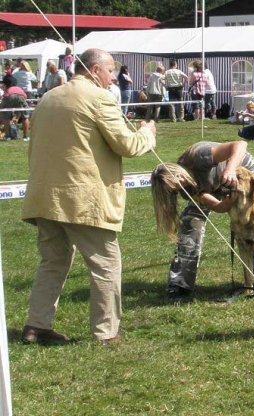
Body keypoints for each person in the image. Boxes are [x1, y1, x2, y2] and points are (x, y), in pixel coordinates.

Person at [20, 48, 157, 345]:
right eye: (110, 72)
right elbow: (127, 145)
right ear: (95, 70)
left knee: (52, 262)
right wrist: (148, 132)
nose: (112, 79)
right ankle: (106, 333)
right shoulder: (98, 98)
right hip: (82, 198)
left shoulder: (48, 97)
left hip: (44, 196)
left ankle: (36, 325)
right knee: (105, 265)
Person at [150, 140, 254, 299]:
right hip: (216, 186)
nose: (181, 185)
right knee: (190, 223)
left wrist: (230, 169)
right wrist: (227, 203)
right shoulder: (185, 187)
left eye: (178, 180)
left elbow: (240, 145)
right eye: (176, 188)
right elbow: (218, 207)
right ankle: (180, 284)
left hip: (241, 171)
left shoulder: (199, 157)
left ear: (178, 171)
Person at [0, 74, 30, 141]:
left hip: (9, 95)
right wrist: (17, 117)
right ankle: (25, 136)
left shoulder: (7, 89)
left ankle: (7, 136)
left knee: (6, 117)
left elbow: (5, 98)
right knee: (25, 117)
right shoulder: (19, 88)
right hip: (21, 95)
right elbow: (25, 97)